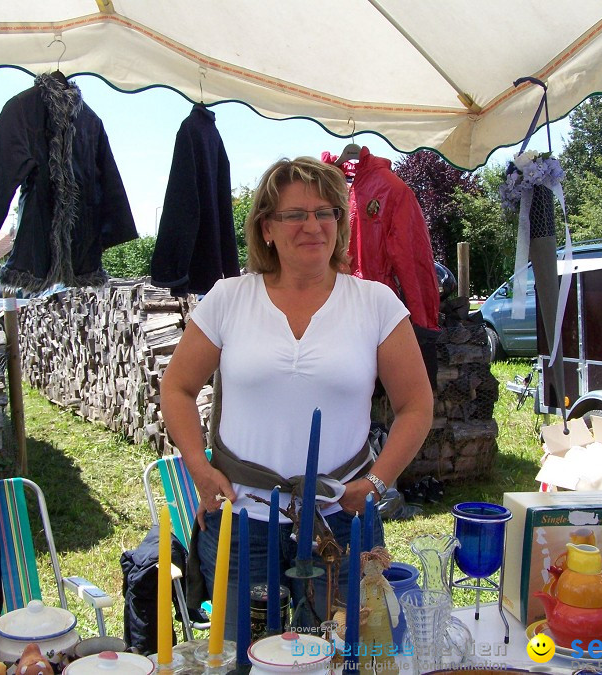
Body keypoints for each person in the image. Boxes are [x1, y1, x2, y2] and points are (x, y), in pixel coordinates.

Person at [160, 156, 433, 635]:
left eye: (325, 212)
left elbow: (416, 406)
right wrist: (200, 471)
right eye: (295, 215)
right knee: (242, 659)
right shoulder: (228, 298)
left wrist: (376, 484)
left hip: (341, 522)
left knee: (343, 657)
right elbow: (177, 388)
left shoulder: (375, 304)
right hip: (244, 524)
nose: (313, 225)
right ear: (267, 228)